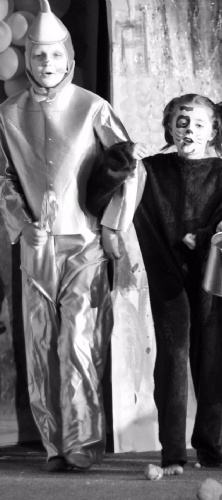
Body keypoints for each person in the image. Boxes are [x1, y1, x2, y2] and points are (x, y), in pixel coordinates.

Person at [86, 93, 222, 475]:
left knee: (211, 357)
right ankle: (172, 453)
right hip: (167, 276)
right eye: (182, 122)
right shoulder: (149, 171)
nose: (189, 130)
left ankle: (212, 449)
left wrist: (219, 230)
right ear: (169, 127)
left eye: (199, 124)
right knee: (172, 356)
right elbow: (98, 196)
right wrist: (122, 158)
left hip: (211, 279)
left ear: (213, 131)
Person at [0, 0, 137, 472]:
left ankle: (82, 442)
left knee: (79, 341)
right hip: (37, 246)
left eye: (56, 54)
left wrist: (113, 226)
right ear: (28, 58)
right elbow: (3, 179)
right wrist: (23, 222)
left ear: (70, 57)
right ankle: (54, 445)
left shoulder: (92, 107)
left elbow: (129, 168)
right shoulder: (8, 113)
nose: (47, 63)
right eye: (39, 54)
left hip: (85, 243)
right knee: (40, 345)